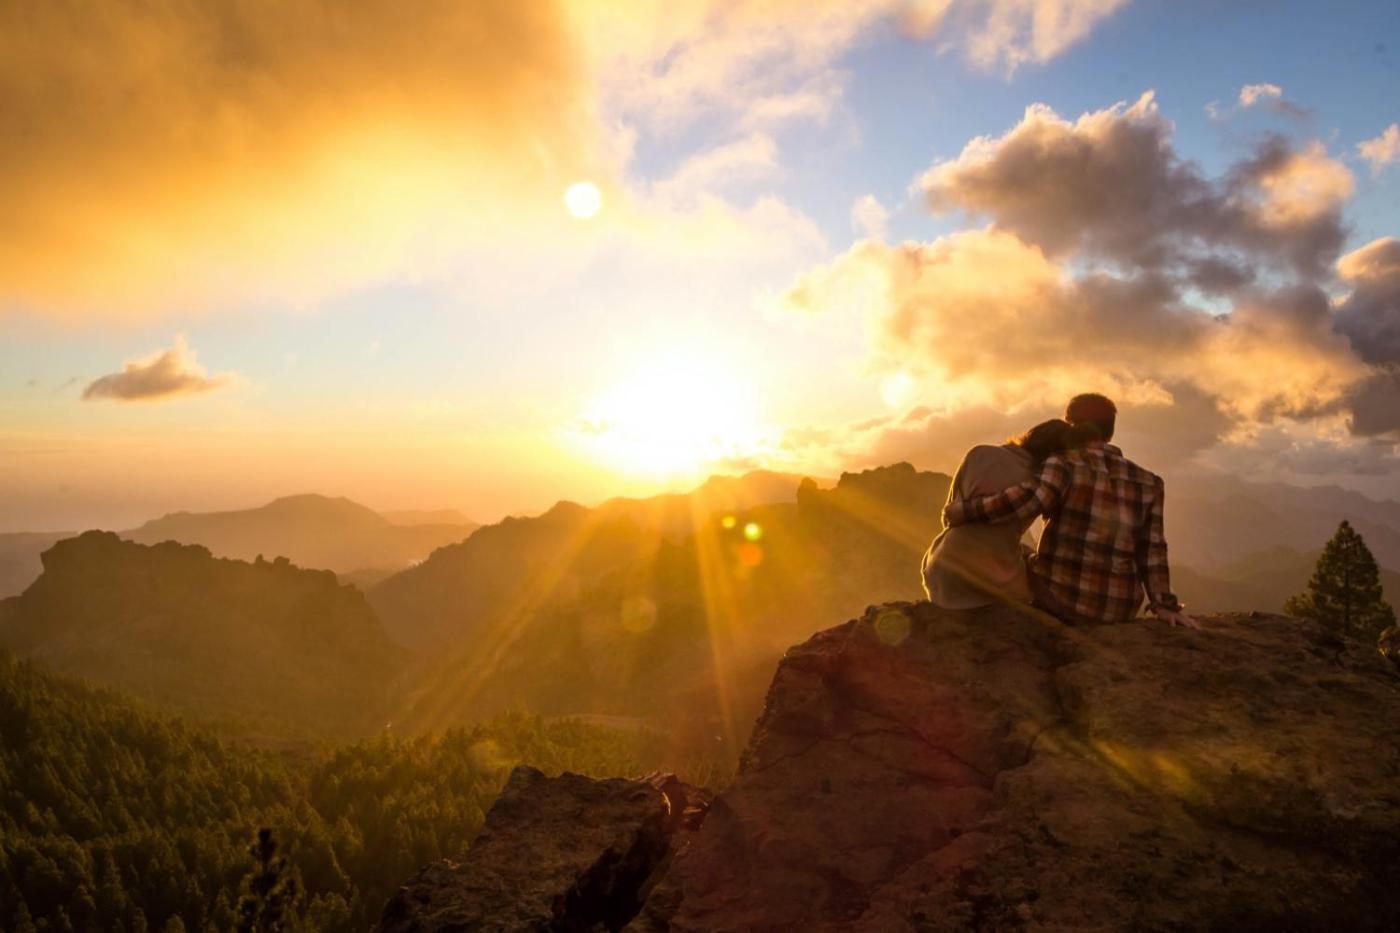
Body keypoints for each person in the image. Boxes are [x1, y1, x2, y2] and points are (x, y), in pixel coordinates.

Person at [942, 394, 1198, 628]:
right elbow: (1152, 549)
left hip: (1061, 601)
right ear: (1110, 433)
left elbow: (1024, 502)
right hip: (1119, 609)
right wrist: (1165, 605)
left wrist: (963, 510)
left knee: (1019, 555)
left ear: (1071, 426)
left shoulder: (1064, 464)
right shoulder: (1150, 482)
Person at [922, 419, 1071, 609]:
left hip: (941, 572)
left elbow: (949, 517)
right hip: (992, 583)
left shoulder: (978, 453)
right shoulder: (1038, 484)